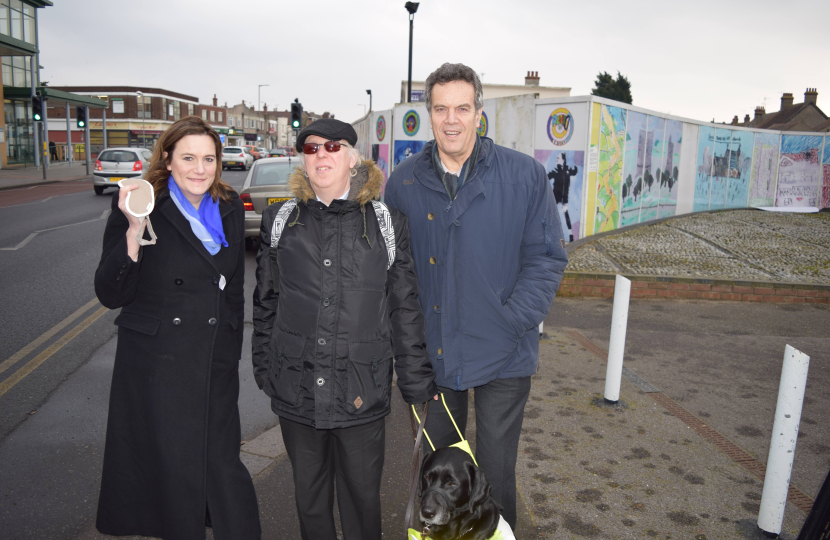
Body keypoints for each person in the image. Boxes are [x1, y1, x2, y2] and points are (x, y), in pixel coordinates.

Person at [385, 62, 569, 530]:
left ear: (478, 112)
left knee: (493, 476)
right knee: (437, 479)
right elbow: (396, 276)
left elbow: (546, 259)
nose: (452, 119)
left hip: (504, 355)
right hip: (435, 356)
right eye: (441, 108)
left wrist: (510, 321)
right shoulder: (403, 183)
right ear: (428, 112)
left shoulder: (525, 176)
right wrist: (409, 350)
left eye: (462, 108)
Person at [252, 119, 437, 540]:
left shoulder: (387, 222)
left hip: (360, 389)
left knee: (361, 503)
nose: (321, 155)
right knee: (311, 503)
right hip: (296, 388)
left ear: (353, 159)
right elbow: (265, 302)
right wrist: (266, 368)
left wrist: (415, 382)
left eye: (332, 147)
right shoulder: (280, 219)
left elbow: (403, 306)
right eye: (312, 148)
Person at [94, 116, 260, 540]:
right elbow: (111, 292)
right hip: (157, 365)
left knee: (222, 466)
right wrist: (133, 232)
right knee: (172, 473)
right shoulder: (144, 205)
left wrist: (228, 355)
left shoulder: (228, 204)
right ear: (167, 159)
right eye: (188, 157)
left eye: (208, 158)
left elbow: (234, 289)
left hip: (211, 362)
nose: (199, 169)